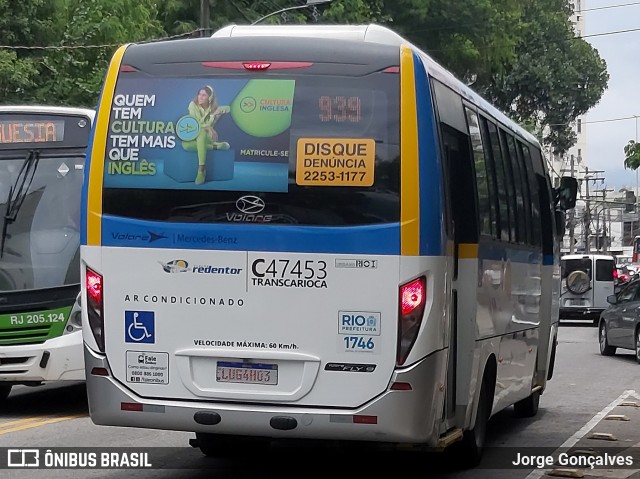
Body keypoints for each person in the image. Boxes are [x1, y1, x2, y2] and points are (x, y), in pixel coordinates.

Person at [182, 86, 230, 185]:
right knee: (186, 145)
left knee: (202, 133)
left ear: (210, 97)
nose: (200, 97)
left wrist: (214, 114)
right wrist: (208, 127)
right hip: (193, 133)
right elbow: (195, 124)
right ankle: (216, 146)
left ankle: (201, 170)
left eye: (204, 95)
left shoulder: (213, 109)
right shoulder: (192, 105)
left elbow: (228, 108)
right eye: (199, 94)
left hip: (207, 137)